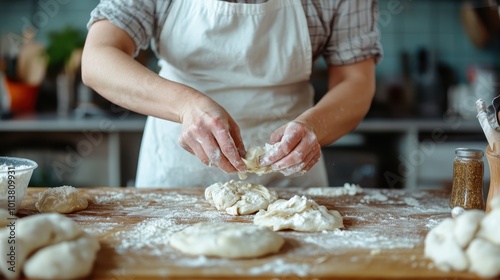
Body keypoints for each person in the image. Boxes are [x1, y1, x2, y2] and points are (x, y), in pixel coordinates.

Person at [82, 0, 382, 188]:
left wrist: (313, 126)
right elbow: (98, 58)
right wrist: (186, 105)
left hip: (291, 190)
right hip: (175, 185)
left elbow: (355, 81)